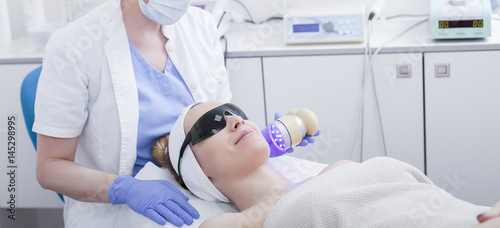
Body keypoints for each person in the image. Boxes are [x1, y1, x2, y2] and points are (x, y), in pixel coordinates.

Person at [33, 0, 229, 228]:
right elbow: (49, 167)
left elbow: (221, 122)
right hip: (118, 212)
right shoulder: (74, 46)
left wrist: (261, 140)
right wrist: (122, 189)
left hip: (203, 196)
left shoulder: (201, 27)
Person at [153, 102, 500, 228]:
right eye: (212, 124)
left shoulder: (338, 168)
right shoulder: (225, 223)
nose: (234, 120)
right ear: (199, 171)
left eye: (235, 112)